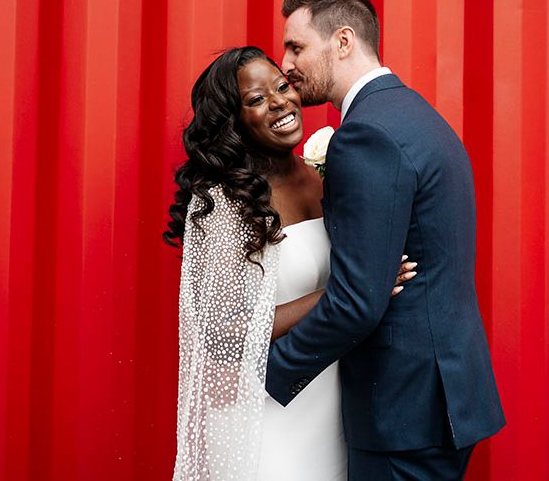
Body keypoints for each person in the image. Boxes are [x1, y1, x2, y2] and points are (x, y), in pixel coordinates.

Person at [266, 0, 505, 479]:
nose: (285, 62)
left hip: (402, 409)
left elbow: (357, 299)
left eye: (297, 46)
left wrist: (266, 373)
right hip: (440, 394)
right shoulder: (416, 115)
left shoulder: (367, 134)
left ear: (344, 41)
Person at [164, 46, 416, 480]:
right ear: (233, 121)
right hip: (267, 417)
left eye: (282, 86)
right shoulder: (224, 201)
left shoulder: (321, 174)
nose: (281, 102)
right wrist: (340, 297)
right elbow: (222, 330)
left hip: (334, 400)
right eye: (257, 99)